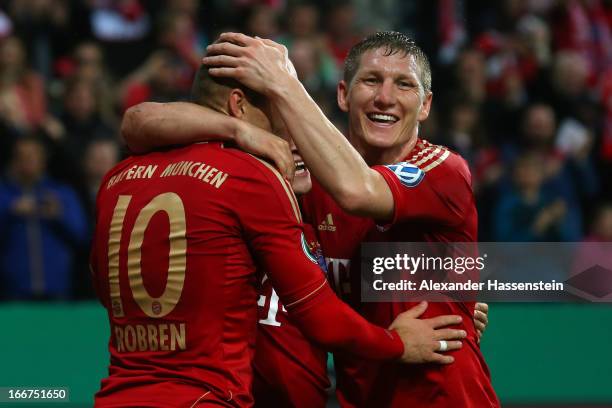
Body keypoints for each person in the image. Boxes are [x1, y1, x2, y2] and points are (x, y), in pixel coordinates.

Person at [121, 31, 496, 407]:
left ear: (426, 105)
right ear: (343, 94)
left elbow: (357, 190)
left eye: (403, 85)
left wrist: (283, 81)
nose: (385, 97)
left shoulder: (442, 170)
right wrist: (238, 128)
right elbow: (138, 122)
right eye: (371, 80)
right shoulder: (305, 186)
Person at [0, 137, 87, 300]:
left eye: (32, 156)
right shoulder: (4, 194)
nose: (27, 162)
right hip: (13, 291)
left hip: (57, 290)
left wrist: (59, 216)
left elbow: (81, 235)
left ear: (43, 160)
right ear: (14, 160)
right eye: (22, 156)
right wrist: (9, 211)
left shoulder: (62, 193)